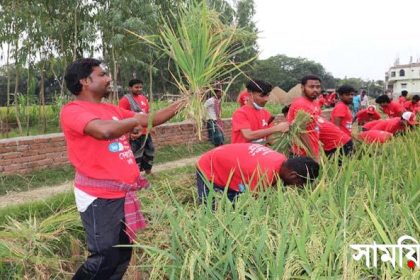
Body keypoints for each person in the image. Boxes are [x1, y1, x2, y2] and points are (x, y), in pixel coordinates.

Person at [61, 58, 186, 279]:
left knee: (122, 255)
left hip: (123, 194)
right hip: (99, 197)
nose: (109, 79)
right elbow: (104, 131)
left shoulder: (111, 109)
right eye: (102, 75)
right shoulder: (73, 110)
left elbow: (150, 119)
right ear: (84, 81)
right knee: (104, 257)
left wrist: (186, 100)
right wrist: (132, 122)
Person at [196, 143, 319, 203]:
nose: (294, 186)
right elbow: (252, 203)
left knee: (233, 199)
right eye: (298, 183)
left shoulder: (281, 160)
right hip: (210, 166)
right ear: (293, 175)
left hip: (225, 160)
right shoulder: (264, 176)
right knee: (211, 208)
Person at [231, 79, 289, 144]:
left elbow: (269, 139)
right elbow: (248, 135)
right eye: (262, 95)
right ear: (250, 95)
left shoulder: (266, 114)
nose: (266, 99)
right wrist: (276, 128)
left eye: (268, 95)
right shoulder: (240, 113)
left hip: (260, 153)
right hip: (244, 153)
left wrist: (285, 138)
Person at [119, 79, 155, 175]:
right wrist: (128, 132)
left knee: (150, 151)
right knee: (136, 154)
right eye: (136, 87)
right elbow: (121, 117)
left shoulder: (143, 98)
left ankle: (148, 171)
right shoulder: (125, 100)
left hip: (145, 132)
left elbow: (147, 114)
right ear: (130, 88)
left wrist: (151, 126)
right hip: (134, 133)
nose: (139, 89)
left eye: (140, 87)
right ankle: (135, 175)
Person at [287, 75, 322, 159]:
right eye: (311, 87)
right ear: (302, 87)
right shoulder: (301, 104)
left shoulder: (315, 103)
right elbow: (301, 132)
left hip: (311, 149)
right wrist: (313, 154)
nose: (315, 90)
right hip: (302, 153)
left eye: (318, 87)